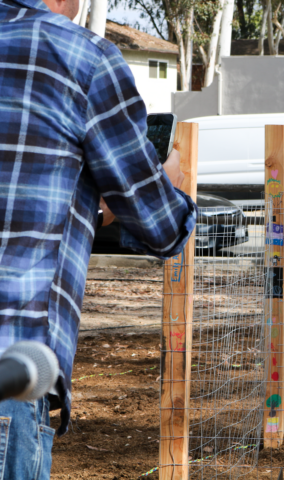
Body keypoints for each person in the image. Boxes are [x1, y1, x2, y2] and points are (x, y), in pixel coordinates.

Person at [0, 0, 197, 476]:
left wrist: (92, 206)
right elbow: (161, 226)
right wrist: (170, 181)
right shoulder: (83, 60)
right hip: (12, 369)